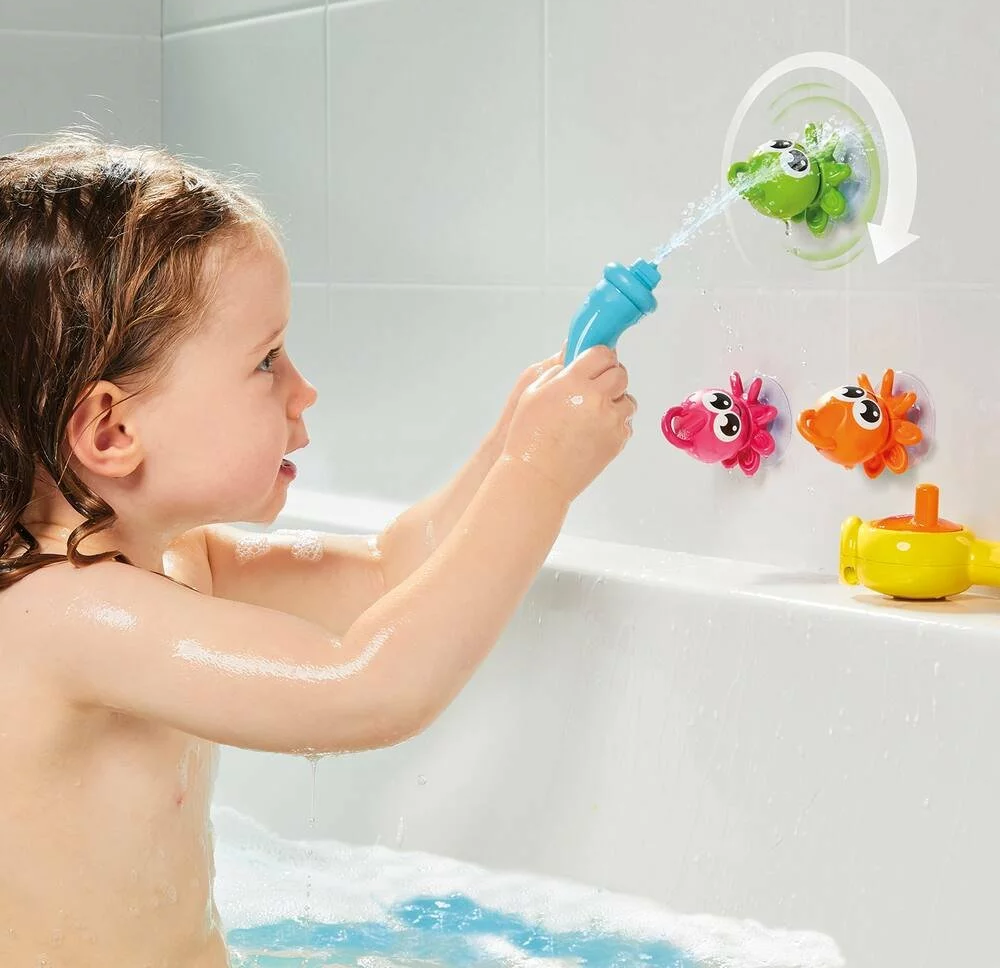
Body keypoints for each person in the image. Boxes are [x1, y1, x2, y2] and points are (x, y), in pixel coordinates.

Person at [0, 132, 636, 967]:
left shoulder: (180, 560)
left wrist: (516, 437)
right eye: (266, 361)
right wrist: (537, 476)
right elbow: (367, 688)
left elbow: (391, 570)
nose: (304, 390)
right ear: (113, 431)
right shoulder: (65, 615)